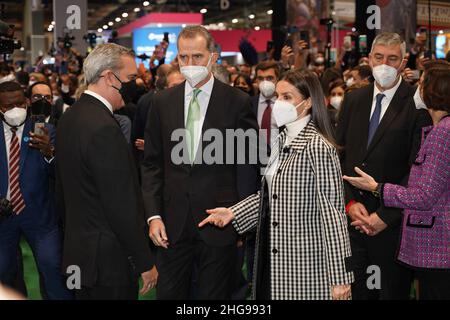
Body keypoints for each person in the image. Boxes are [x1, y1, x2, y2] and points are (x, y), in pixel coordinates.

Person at [199, 69, 354, 300]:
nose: (279, 103)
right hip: (274, 259)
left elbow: (333, 215)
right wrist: (232, 212)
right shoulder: (282, 139)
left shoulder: (318, 147)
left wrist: (341, 277)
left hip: (308, 266)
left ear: (308, 102)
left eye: (287, 97)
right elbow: (272, 197)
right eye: (278, 97)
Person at [142, 25, 259, 300]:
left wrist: (239, 218)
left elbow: (246, 165)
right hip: (172, 223)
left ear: (213, 57)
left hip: (219, 222)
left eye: (196, 56)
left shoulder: (238, 102)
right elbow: (152, 164)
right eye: (183, 57)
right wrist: (153, 215)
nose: (189, 64)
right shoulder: (162, 102)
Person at [336, 32, 432, 300]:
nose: (385, 64)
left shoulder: (418, 104)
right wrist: (349, 204)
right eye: (379, 57)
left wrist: (385, 216)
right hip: (353, 222)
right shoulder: (354, 100)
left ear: (403, 63)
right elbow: (339, 157)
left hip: (393, 226)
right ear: (369, 59)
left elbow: (418, 169)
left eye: (392, 59)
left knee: (391, 293)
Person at [55, 43, 156, 300]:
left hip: (78, 253)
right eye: (131, 78)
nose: (136, 84)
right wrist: (144, 262)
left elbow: (62, 191)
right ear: (110, 77)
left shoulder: (70, 117)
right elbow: (120, 204)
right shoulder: (104, 127)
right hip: (107, 261)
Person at [0, 81, 71, 300]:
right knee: (4, 272)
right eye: (8, 106)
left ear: (28, 102)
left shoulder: (45, 130)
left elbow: (60, 174)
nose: (15, 109)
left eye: (20, 103)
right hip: (3, 216)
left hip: (40, 214)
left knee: (52, 268)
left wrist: (49, 151)